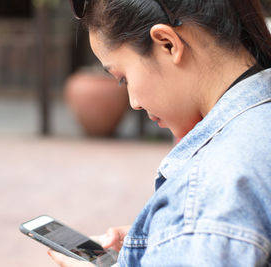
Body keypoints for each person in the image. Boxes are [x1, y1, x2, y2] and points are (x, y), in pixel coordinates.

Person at [48, 0, 271, 266]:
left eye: (123, 77)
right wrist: (164, 239)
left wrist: (185, 232)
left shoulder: (206, 192)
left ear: (167, 43)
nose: (134, 102)